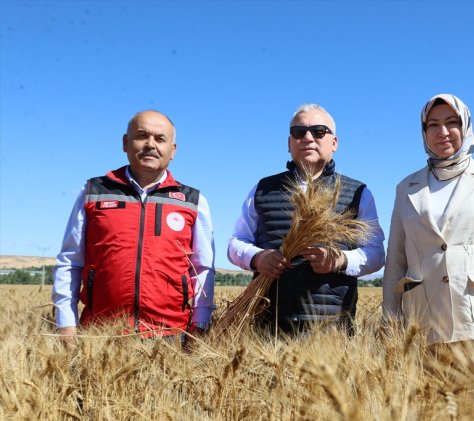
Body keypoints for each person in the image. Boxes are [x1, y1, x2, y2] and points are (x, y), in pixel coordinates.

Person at [52, 110, 216, 349]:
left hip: (171, 335)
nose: (151, 145)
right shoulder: (93, 191)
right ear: (125, 143)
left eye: (160, 139)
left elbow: (202, 268)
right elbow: (70, 261)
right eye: (142, 136)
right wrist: (66, 322)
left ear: (173, 150)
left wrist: (201, 323)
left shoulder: (192, 200)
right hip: (101, 334)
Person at [383, 94, 474, 349]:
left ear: (466, 127)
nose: (443, 132)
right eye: (433, 125)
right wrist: (390, 316)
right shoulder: (406, 187)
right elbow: (395, 258)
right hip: (422, 319)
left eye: (452, 122)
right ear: (424, 132)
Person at [227, 103, 385, 334]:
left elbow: (376, 253)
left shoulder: (358, 193)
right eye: (299, 132)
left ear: (334, 143)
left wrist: (340, 260)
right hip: (268, 325)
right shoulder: (263, 189)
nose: (308, 138)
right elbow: (235, 243)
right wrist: (258, 258)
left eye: (319, 131)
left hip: (331, 329)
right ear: (289, 143)